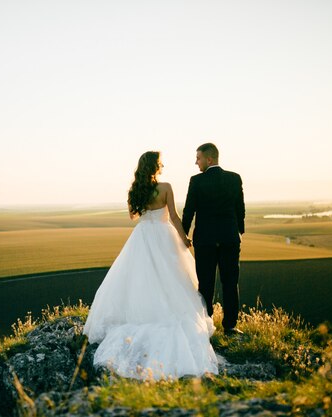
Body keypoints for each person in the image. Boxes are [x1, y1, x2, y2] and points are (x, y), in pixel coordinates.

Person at [82, 151, 219, 380]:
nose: (163, 164)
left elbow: (133, 216)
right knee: (173, 278)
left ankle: (142, 312)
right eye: (160, 162)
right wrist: (184, 238)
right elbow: (174, 216)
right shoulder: (165, 187)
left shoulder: (135, 190)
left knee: (140, 279)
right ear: (155, 166)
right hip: (164, 236)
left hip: (143, 236)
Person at [181, 143, 245, 335]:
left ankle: (206, 326)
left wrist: (183, 235)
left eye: (198, 158)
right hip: (229, 239)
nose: (196, 162)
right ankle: (231, 326)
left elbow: (188, 210)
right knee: (230, 282)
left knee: (205, 283)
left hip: (205, 241)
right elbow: (240, 208)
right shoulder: (234, 178)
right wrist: (239, 231)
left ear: (209, 159)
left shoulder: (196, 181)